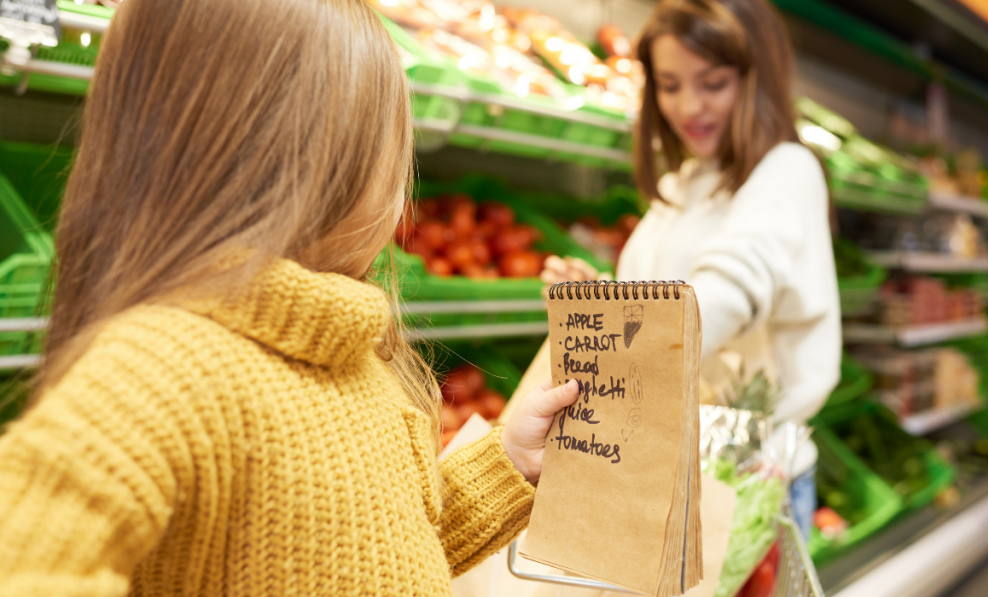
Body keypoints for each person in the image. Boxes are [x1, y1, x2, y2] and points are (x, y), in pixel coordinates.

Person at [0, 0, 579, 594]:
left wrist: (507, 462)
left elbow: (374, 551)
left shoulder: (355, 359)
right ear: (317, 166)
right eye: (391, 151)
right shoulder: (166, 368)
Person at [543, 0, 841, 537]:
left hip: (747, 480)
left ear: (756, 79)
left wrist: (609, 340)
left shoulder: (787, 171)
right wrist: (601, 301)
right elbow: (663, 303)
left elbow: (725, 295)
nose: (689, 106)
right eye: (670, 84)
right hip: (663, 470)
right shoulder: (683, 185)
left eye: (713, 83)